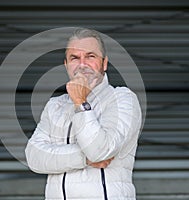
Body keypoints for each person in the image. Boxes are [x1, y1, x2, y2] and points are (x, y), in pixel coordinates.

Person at [25, 28, 142, 200]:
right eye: (75, 58)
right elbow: (34, 157)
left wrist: (80, 102)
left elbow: (100, 151)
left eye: (90, 56)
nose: (82, 64)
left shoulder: (122, 99)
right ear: (66, 65)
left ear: (104, 63)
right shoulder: (54, 105)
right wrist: (84, 159)